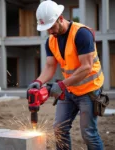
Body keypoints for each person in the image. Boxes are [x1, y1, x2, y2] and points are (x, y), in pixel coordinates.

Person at [27, 1, 104, 150]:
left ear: (60, 18)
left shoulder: (82, 34)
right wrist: (38, 81)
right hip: (69, 89)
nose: (49, 31)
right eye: (46, 29)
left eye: (51, 27)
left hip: (89, 90)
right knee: (59, 129)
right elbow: (50, 66)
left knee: (89, 134)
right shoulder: (50, 40)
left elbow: (86, 67)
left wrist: (61, 85)